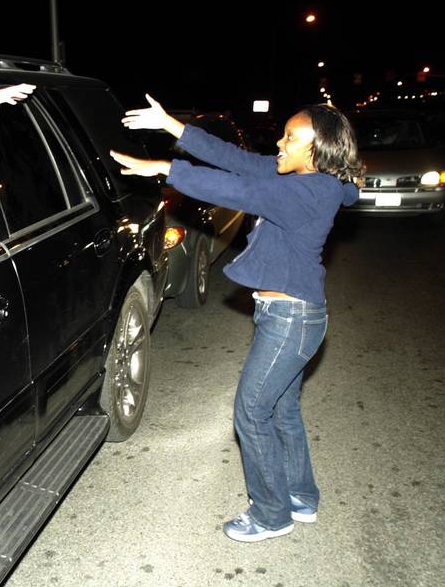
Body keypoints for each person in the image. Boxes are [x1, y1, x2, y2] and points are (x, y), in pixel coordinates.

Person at [110, 96, 363, 543]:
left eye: (290, 138)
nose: (280, 144)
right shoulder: (303, 175)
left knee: (251, 411)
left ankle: (270, 514)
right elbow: (237, 161)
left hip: (292, 319)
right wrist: (174, 126)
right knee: (282, 410)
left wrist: (164, 169)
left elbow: (241, 191)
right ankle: (301, 497)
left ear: (317, 149)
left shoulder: (310, 191)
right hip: (289, 316)